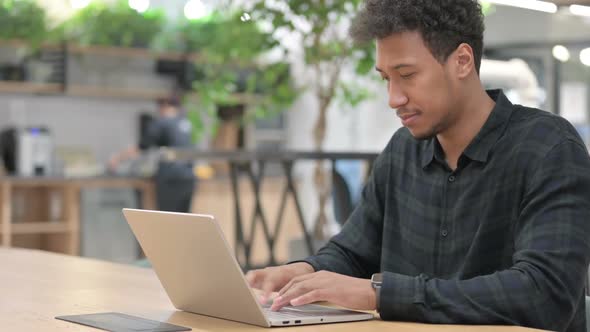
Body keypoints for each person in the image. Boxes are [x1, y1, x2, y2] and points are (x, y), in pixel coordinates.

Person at [245, 1, 590, 331]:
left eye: (407, 75)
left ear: (462, 61)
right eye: (386, 79)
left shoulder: (549, 149)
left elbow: (545, 294)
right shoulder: (402, 152)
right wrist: (301, 274)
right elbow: (353, 252)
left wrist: (378, 294)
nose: (394, 98)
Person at [109, 96, 195, 213]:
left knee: (167, 218)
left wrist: (117, 159)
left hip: (170, 178)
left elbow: (142, 147)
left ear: (164, 106)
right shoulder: (186, 123)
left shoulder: (162, 122)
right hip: (188, 177)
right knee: (185, 218)